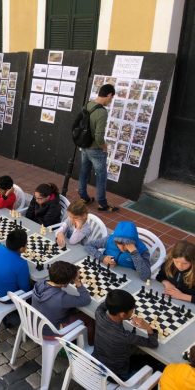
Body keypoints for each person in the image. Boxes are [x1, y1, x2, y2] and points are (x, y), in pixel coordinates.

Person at [92, 289, 159, 380]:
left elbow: (105, 304)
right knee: (155, 363)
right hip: (117, 375)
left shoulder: (98, 314)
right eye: (132, 310)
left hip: (97, 362)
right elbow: (153, 343)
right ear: (122, 315)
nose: (133, 312)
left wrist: (115, 300)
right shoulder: (125, 336)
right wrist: (147, 327)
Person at [78, 84, 119, 212]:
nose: (110, 101)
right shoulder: (102, 112)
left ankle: (84, 197)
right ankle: (102, 203)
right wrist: (104, 146)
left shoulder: (88, 104)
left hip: (84, 145)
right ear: (109, 95)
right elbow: (99, 136)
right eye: (111, 98)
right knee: (101, 176)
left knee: (84, 172)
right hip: (95, 149)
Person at [31, 261, 94, 344]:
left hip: (34, 324)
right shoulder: (62, 298)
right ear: (65, 283)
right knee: (90, 319)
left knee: (73, 310)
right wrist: (77, 282)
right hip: (50, 332)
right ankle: (87, 346)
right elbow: (86, 300)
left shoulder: (40, 283)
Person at [85, 221, 151, 281]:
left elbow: (146, 276)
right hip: (105, 271)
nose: (122, 248)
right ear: (115, 240)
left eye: (126, 244)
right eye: (119, 244)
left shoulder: (142, 250)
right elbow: (88, 245)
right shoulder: (109, 239)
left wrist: (134, 252)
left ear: (132, 242)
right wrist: (102, 257)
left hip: (127, 279)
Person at [0, 229, 31, 298]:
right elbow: (25, 289)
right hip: (5, 298)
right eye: (26, 244)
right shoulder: (22, 264)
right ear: (22, 249)